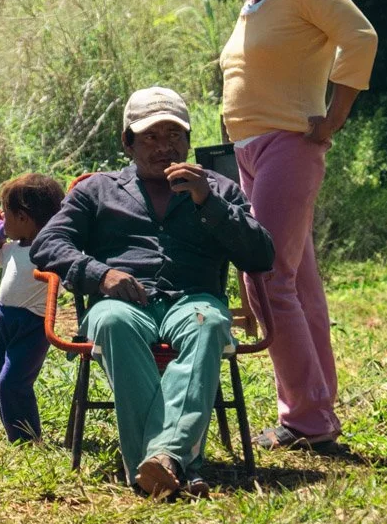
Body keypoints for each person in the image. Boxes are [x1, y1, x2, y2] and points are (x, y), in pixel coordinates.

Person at [29, 87, 274, 498]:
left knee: (208, 323)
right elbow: (48, 244)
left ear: (188, 140)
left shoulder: (218, 189)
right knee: (111, 321)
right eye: (150, 137)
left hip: (193, 299)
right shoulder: (97, 191)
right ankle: (180, 462)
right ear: (128, 142)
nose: (164, 147)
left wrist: (207, 203)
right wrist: (99, 273)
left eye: (174, 136)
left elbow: (261, 255)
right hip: (123, 302)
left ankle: (159, 461)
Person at [205, 0, 377, 451]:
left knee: (267, 276)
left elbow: (361, 36)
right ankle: (315, 410)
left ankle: (305, 420)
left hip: (288, 146)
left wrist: (335, 116)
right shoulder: (257, 2)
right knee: (297, 283)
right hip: (251, 150)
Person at [0, 172, 65, 443]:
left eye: (7, 215)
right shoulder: (14, 246)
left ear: (24, 218)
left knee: (14, 381)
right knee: (1, 378)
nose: (1, 219)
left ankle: (27, 438)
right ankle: (15, 433)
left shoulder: (50, 251)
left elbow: (62, 278)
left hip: (32, 323)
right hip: (4, 318)